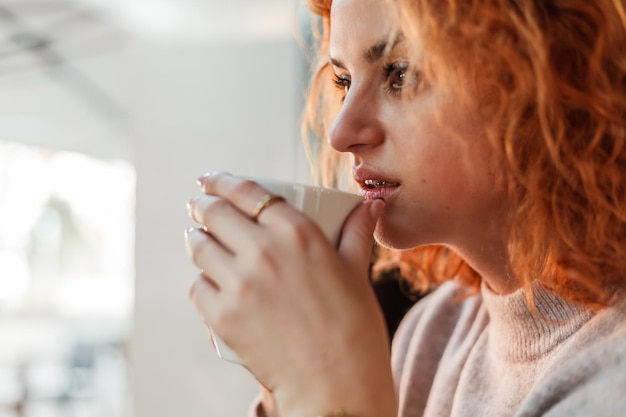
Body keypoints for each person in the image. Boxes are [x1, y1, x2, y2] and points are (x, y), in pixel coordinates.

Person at [184, 0, 626, 415]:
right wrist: (286, 380)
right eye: (343, 80)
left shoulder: (610, 379)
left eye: (400, 72)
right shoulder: (433, 333)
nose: (339, 133)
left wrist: (331, 391)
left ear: (544, 76)